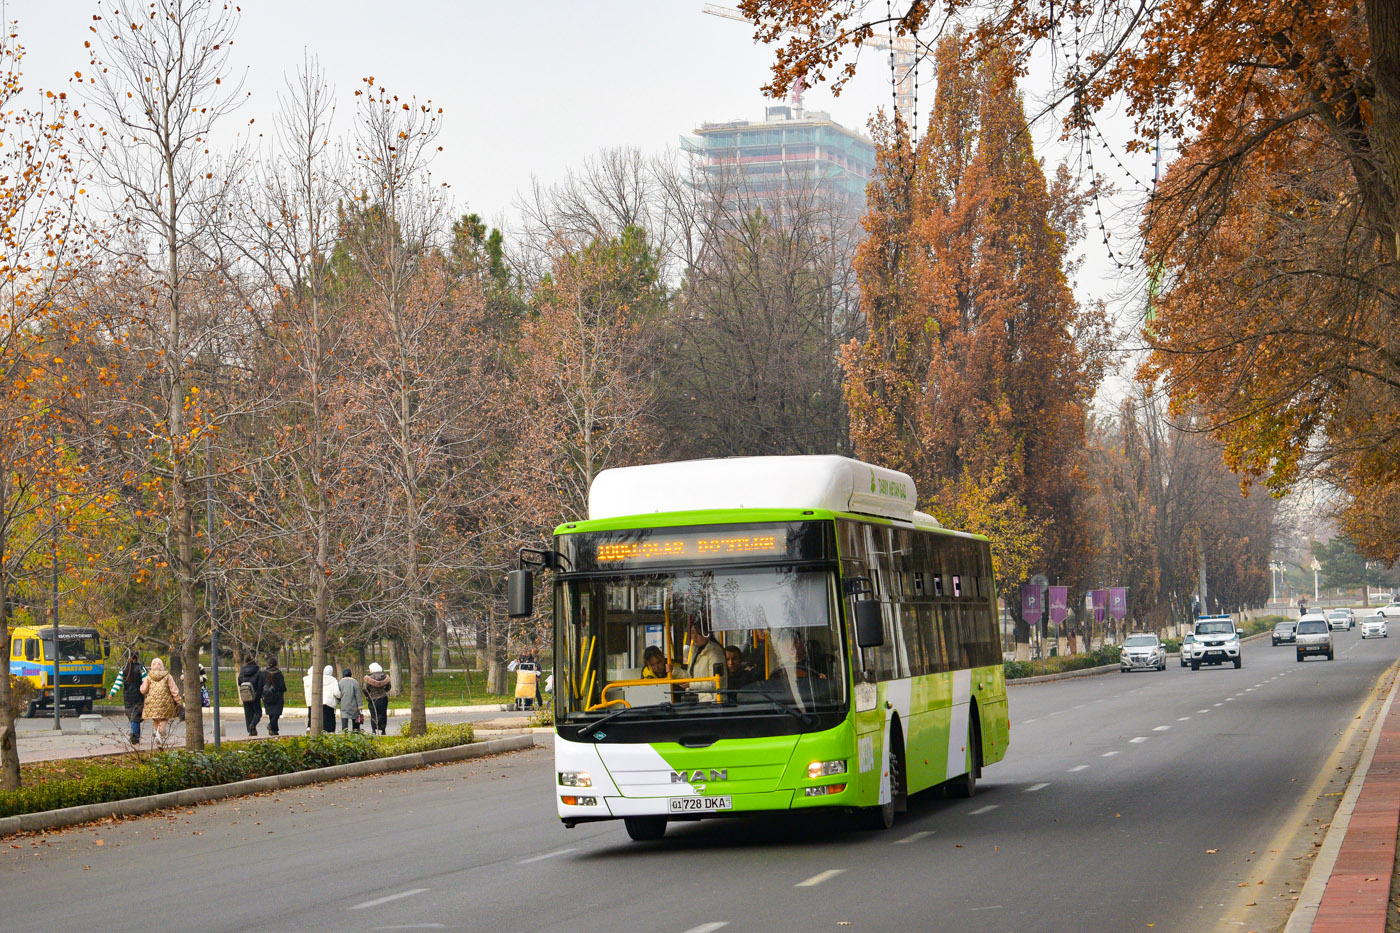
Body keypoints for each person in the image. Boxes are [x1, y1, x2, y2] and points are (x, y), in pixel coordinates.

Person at [675, 616, 726, 702]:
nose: (694, 637)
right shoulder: (695, 651)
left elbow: (715, 682)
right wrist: (673, 671)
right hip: (697, 700)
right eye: (692, 632)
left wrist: (690, 685)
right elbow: (691, 677)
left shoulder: (714, 653)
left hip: (712, 702)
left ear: (706, 634)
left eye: (698, 633)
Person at [140, 657, 182, 746]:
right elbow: (173, 689)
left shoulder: (149, 677)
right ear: (162, 666)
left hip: (151, 702)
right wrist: (177, 699)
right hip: (165, 702)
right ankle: (159, 734)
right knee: (164, 718)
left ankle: (155, 732)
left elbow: (143, 690)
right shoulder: (167, 676)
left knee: (155, 718)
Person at [116, 651, 145, 745]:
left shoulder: (124, 668)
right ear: (137, 657)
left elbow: (118, 682)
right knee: (135, 717)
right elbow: (146, 682)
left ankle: (135, 736)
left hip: (127, 696)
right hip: (139, 696)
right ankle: (134, 735)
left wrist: (112, 693)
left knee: (132, 716)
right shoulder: (141, 668)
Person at [237, 656, 263, 736]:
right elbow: (260, 684)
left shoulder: (242, 671)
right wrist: (259, 694)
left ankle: (250, 730)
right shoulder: (257, 671)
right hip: (255, 695)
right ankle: (253, 724)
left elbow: (239, 682)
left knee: (248, 714)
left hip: (245, 695)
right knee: (258, 713)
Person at [260, 657, 286, 736]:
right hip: (277, 696)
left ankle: (274, 730)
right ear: (276, 664)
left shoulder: (263, 673)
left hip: (267, 696)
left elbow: (261, 684)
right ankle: (271, 725)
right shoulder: (278, 673)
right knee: (277, 713)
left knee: (271, 713)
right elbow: (282, 686)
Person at [363, 662, 391, 735]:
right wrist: (384, 691)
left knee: (373, 714)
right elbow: (389, 686)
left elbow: (365, 689)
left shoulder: (368, 678)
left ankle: (374, 730)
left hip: (373, 698)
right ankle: (383, 730)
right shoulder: (384, 677)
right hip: (383, 698)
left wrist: (368, 695)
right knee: (383, 713)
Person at [337, 667, 363, 733]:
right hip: (353, 705)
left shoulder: (340, 682)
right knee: (355, 719)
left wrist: (338, 702)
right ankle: (355, 732)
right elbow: (358, 695)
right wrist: (360, 705)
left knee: (344, 719)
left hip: (344, 705)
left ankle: (344, 732)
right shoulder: (354, 682)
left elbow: (338, 694)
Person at [321, 664, 341, 733]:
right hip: (330, 703)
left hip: (320, 702)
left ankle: (322, 731)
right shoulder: (333, 680)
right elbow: (336, 692)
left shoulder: (320, 679)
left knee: (322, 718)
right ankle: (330, 732)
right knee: (330, 719)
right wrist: (340, 696)